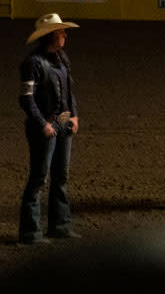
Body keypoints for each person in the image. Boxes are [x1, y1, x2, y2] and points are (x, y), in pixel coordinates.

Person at [19, 14, 82, 244]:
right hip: (45, 125)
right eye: (61, 31)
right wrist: (42, 123)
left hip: (62, 122)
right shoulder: (33, 63)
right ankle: (30, 231)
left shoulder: (61, 58)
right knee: (39, 177)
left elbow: (69, 91)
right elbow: (26, 99)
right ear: (50, 35)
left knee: (60, 176)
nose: (65, 35)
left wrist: (73, 115)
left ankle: (60, 226)